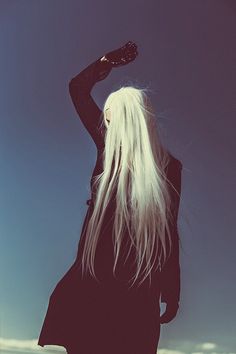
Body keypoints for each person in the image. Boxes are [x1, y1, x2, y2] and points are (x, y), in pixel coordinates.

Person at [37, 41, 183, 354]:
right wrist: (171, 289)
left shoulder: (110, 152)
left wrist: (107, 62)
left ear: (119, 117)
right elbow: (170, 232)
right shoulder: (170, 168)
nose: (103, 121)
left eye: (107, 115)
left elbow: (77, 88)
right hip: (137, 294)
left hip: (97, 288)